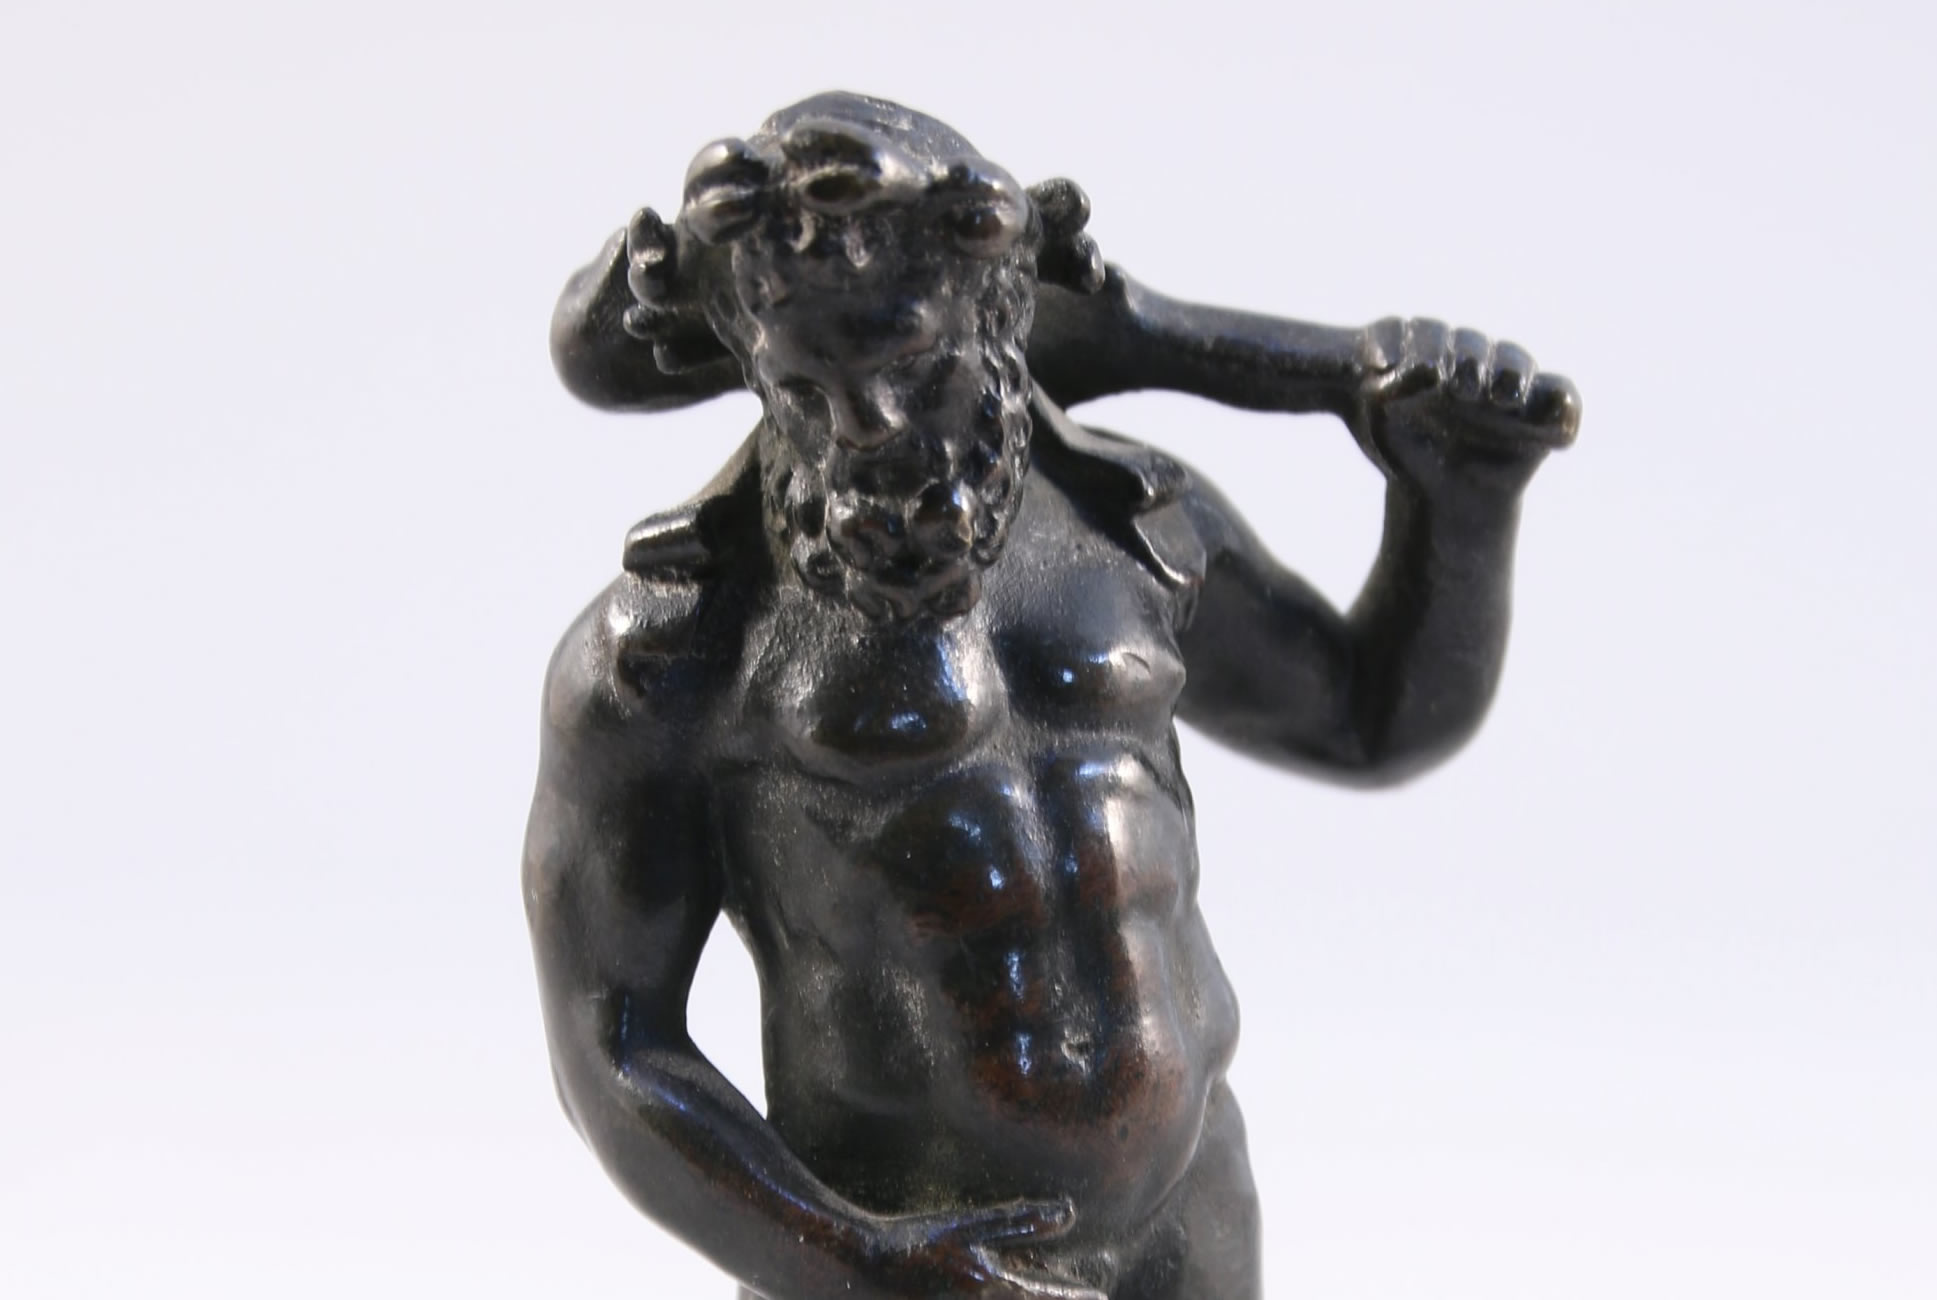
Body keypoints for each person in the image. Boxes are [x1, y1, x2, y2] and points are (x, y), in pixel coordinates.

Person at [524, 92, 1578, 1300]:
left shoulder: (1136, 532)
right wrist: (853, 1255)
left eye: (908, 360)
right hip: (915, 1269)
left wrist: (1459, 507)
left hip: (1190, 1223)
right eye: (807, 388)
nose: (867, 426)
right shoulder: (674, 650)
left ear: (995, 319)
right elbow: (611, 1042)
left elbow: (1368, 719)